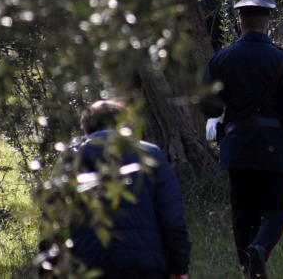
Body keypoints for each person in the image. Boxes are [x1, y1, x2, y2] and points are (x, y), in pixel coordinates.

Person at [200, 0, 283, 279]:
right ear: (268, 25)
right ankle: (260, 248)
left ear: (239, 24)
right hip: (273, 147)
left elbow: (208, 106)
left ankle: (247, 269)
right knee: (277, 210)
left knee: (242, 211)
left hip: (236, 145)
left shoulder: (221, 59)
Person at [58, 100, 191, 279]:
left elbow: (53, 217)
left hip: (88, 265)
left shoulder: (71, 159)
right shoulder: (150, 155)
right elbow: (172, 218)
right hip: (145, 265)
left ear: (86, 128)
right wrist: (179, 267)